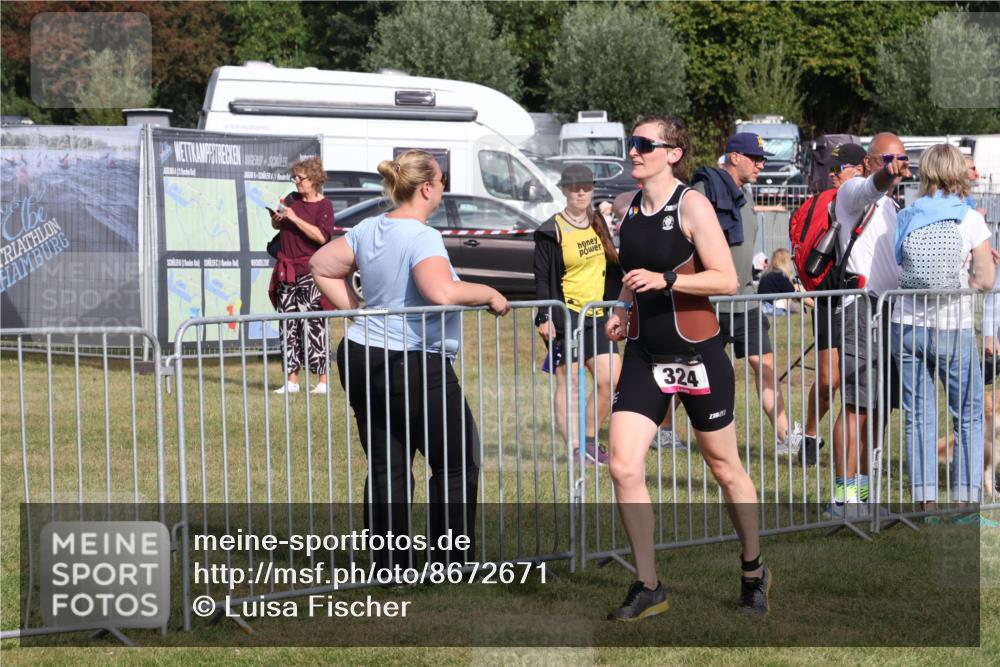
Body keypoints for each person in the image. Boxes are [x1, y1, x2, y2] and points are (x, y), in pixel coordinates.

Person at [309, 150, 510, 566]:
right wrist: (489, 293)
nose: (442, 189)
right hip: (413, 360)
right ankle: (450, 562)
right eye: (442, 182)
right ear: (426, 188)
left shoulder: (369, 228)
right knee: (457, 461)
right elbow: (440, 291)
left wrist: (359, 309)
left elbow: (321, 264)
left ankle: (389, 564)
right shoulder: (422, 236)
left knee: (388, 464)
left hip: (364, 355)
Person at [604, 116, 769, 620]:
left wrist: (666, 281)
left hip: (697, 354)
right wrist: (622, 307)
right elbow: (632, 276)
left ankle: (753, 570)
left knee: (724, 468)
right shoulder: (628, 207)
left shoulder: (692, 204)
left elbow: (726, 280)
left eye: (643, 144)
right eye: (631, 144)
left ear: (672, 152)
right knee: (622, 465)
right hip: (644, 355)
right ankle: (648, 585)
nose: (634, 151)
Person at [658, 132, 801, 455]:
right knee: (691, 371)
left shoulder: (745, 194)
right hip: (709, 301)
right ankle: (663, 429)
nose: (761, 165)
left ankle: (783, 438)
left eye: (763, 159)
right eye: (756, 159)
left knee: (763, 364)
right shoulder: (703, 192)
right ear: (735, 157)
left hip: (745, 299)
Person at [890, 143, 996, 523]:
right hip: (953, 327)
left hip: (906, 326)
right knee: (966, 415)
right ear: (958, 173)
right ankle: (966, 505)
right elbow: (985, 280)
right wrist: (970, 278)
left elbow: (897, 266)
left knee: (918, 416)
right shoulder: (969, 219)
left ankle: (927, 505)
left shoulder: (906, 214)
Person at [825, 132, 910, 517]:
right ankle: (843, 498)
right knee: (858, 403)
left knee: (880, 405)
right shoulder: (853, 192)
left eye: (903, 158)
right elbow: (873, 187)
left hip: (890, 311)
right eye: (891, 158)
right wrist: (885, 176)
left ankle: (865, 491)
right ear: (871, 162)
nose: (899, 165)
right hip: (859, 307)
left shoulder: (891, 207)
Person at [534, 164, 623, 464]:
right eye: (574, 186)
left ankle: (588, 440)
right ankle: (575, 449)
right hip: (566, 316)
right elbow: (543, 277)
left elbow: (612, 265)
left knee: (610, 378)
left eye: (586, 186)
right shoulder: (551, 229)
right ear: (564, 190)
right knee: (569, 381)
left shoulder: (598, 221)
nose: (581, 191)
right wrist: (544, 317)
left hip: (597, 314)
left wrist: (618, 305)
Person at [800, 142, 866, 466]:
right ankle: (810, 435)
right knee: (829, 381)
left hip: (860, 298)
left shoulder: (869, 199)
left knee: (857, 382)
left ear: (860, 168)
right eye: (831, 168)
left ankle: (857, 456)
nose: (834, 175)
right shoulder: (829, 201)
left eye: (840, 168)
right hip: (829, 296)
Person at [268, 156, 334, 395]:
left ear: (314, 178)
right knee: (288, 325)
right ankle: (292, 381)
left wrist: (295, 218)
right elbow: (280, 227)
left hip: (310, 272)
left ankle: (323, 381)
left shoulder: (324, 205)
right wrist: (277, 220)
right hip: (287, 271)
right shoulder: (291, 199)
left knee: (314, 325)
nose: (296, 181)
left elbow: (322, 237)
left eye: (300, 178)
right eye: (294, 177)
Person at [756, 248, 811, 315]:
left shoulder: (768, 273)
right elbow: (792, 291)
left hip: (763, 306)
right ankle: (815, 305)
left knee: (794, 296)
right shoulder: (780, 275)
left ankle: (814, 304)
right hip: (770, 308)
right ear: (784, 261)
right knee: (798, 288)